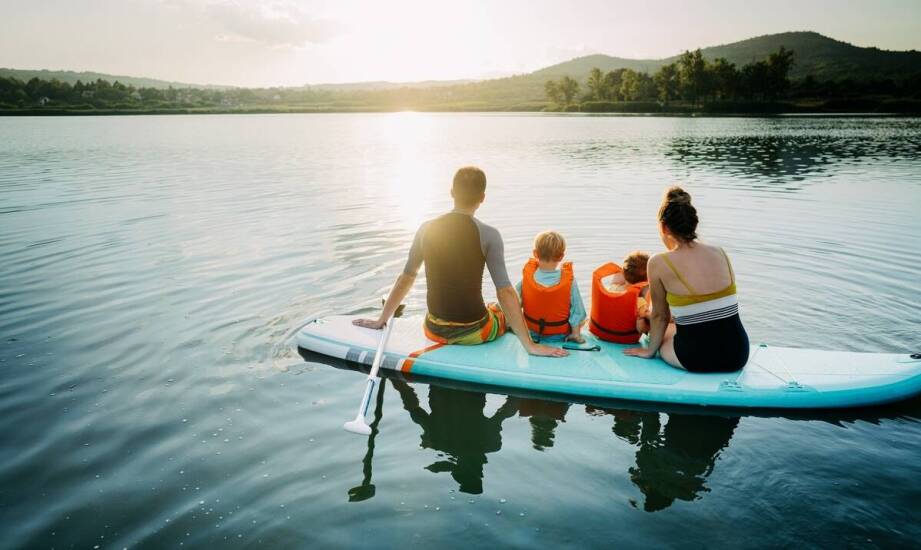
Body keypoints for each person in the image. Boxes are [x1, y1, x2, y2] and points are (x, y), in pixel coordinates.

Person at [353, 166, 567, 357]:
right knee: (501, 312)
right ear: (482, 198)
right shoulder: (489, 235)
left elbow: (406, 277)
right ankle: (521, 333)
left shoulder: (425, 229)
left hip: (433, 330)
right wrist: (530, 346)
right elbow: (505, 292)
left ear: (452, 192)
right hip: (475, 332)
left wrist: (381, 320)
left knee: (490, 307)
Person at [624, 186, 749, 372]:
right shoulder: (720, 252)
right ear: (693, 224)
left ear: (664, 227)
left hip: (695, 357)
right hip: (738, 354)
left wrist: (650, 351)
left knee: (654, 327)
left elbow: (660, 316)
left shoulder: (658, 262)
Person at [515, 231, 587, 343]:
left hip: (531, 332)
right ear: (561, 257)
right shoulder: (569, 281)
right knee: (582, 319)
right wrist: (576, 334)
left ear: (535, 254)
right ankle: (575, 333)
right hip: (559, 335)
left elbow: (514, 301)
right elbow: (578, 311)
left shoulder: (527, 279)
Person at [607, 251, 652, 334]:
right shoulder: (640, 302)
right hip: (626, 336)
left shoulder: (613, 288)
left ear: (623, 274)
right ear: (647, 280)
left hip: (604, 331)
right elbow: (641, 329)